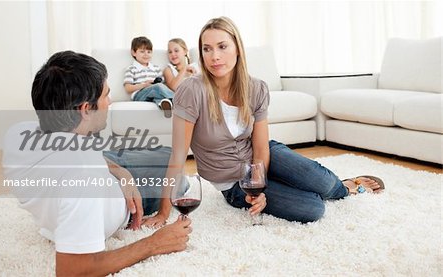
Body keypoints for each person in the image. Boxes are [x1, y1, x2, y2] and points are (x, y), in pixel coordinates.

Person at [143, 17, 385, 228]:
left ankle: (347, 186)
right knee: (313, 209)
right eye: (207, 49)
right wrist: (164, 212)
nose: (214, 56)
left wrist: (259, 187)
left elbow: (260, 149)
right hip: (232, 183)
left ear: (237, 48)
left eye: (222, 46)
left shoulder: (256, 88)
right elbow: (177, 156)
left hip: (263, 159)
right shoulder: (191, 91)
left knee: (323, 182)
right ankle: (305, 188)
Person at [2, 51, 191, 276]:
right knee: (179, 179)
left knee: (165, 153)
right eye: (105, 96)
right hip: (127, 200)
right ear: (85, 109)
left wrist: (119, 171)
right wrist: (155, 243)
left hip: (110, 165)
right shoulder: (82, 178)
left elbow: (75, 155)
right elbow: (74, 270)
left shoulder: (19, 133)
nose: (110, 102)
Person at [124, 36, 174, 118]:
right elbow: (128, 88)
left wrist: (157, 82)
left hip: (153, 94)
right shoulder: (131, 69)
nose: (146, 54)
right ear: (134, 53)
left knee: (159, 95)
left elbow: (162, 84)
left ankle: (165, 106)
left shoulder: (156, 68)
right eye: (142, 51)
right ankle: (178, 99)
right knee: (157, 87)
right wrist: (144, 85)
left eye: (149, 51)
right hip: (139, 96)